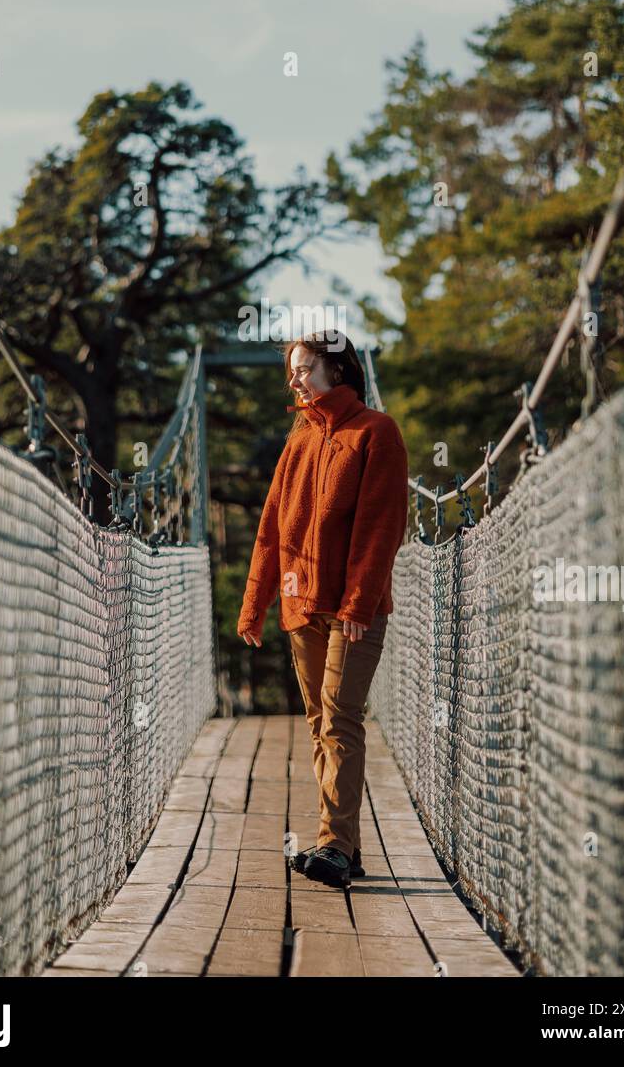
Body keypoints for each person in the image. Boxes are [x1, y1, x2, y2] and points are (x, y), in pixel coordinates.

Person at [237, 332, 409, 888]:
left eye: (305, 368)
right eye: (291, 369)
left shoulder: (376, 433)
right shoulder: (299, 441)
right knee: (319, 724)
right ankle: (346, 850)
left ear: (337, 369)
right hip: (300, 604)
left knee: (339, 718)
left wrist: (359, 602)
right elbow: (271, 528)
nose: (295, 379)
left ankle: (332, 844)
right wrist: (255, 604)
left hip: (352, 609)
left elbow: (381, 529)